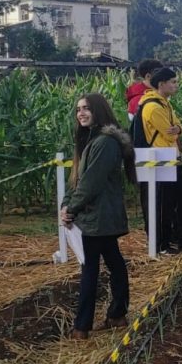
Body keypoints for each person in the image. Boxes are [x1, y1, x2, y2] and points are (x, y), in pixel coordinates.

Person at [60, 94, 136, 340]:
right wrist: (66, 205)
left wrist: (71, 209)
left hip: (99, 216)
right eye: (78, 109)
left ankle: (82, 327)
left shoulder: (104, 143)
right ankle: (117, 314)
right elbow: (77, 180)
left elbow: (91, 183)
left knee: (91, 269)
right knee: (113, 261)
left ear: (99, 111)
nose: (81, 113)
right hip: (97, 215)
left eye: (86, 108)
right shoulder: (92, 139)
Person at [139, 67, 182, 254]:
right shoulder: (153, 107)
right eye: (173, 82)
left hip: (171, 157)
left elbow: (179, 128)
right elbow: (169, 134)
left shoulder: (165, 104)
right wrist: (176, 130)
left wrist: (178, 129)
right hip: (161, 158)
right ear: (161, 84)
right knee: (165, 203)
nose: (176, 85)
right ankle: (162, 245)